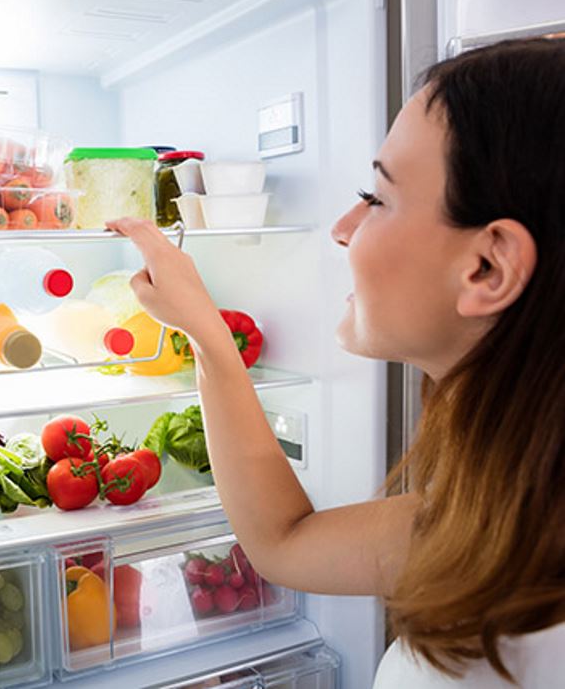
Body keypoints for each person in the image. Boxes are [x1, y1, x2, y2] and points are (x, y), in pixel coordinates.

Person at [108, 38, 565, 687]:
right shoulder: (511, 513)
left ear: (487, 267)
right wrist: (207, 336)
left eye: (376, 197)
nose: (344, 228)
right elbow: (285, 541)